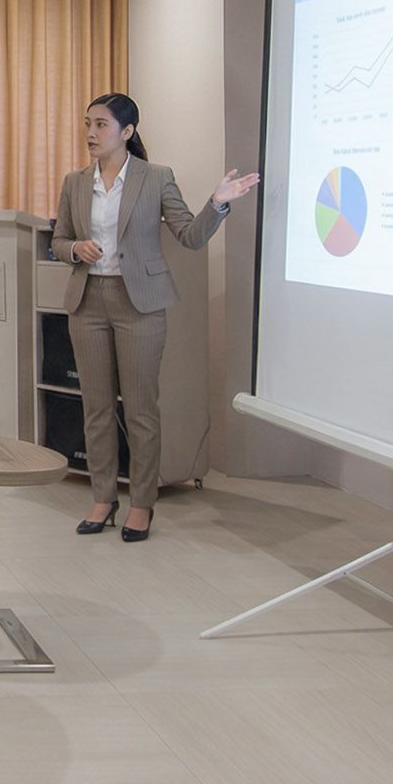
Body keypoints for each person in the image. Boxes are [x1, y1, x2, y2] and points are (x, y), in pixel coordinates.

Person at [51, 94, 258, 541]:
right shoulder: (74, 182)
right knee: (97, 409)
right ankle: (103, 498)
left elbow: (189, 235)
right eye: (88, 123)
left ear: (127, 132)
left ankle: (141, 503)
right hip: (87, 302)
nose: (91, 133)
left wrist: (218, 203)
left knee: (141, 410)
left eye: (101, 125)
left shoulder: (156, 178)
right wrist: (74, 249)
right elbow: (59, 240)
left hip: (139, 304)